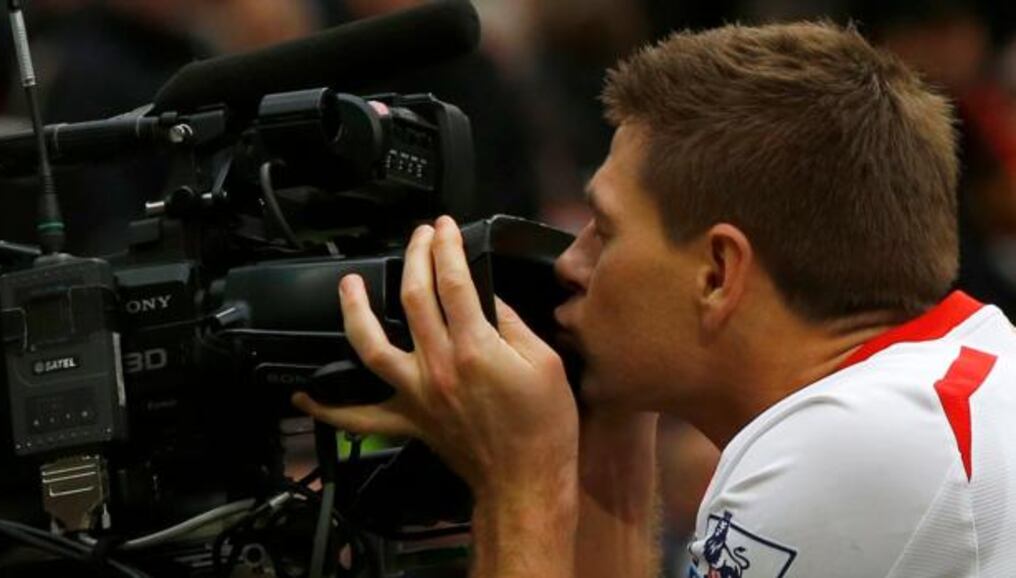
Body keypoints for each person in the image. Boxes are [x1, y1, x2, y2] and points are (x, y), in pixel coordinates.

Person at [293, 21, 1016, 577]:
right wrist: (608, 428)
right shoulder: (945, 385)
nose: (571, 263)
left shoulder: (851, 446)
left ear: (717, 273)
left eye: (604, 230)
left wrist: (521, 484)